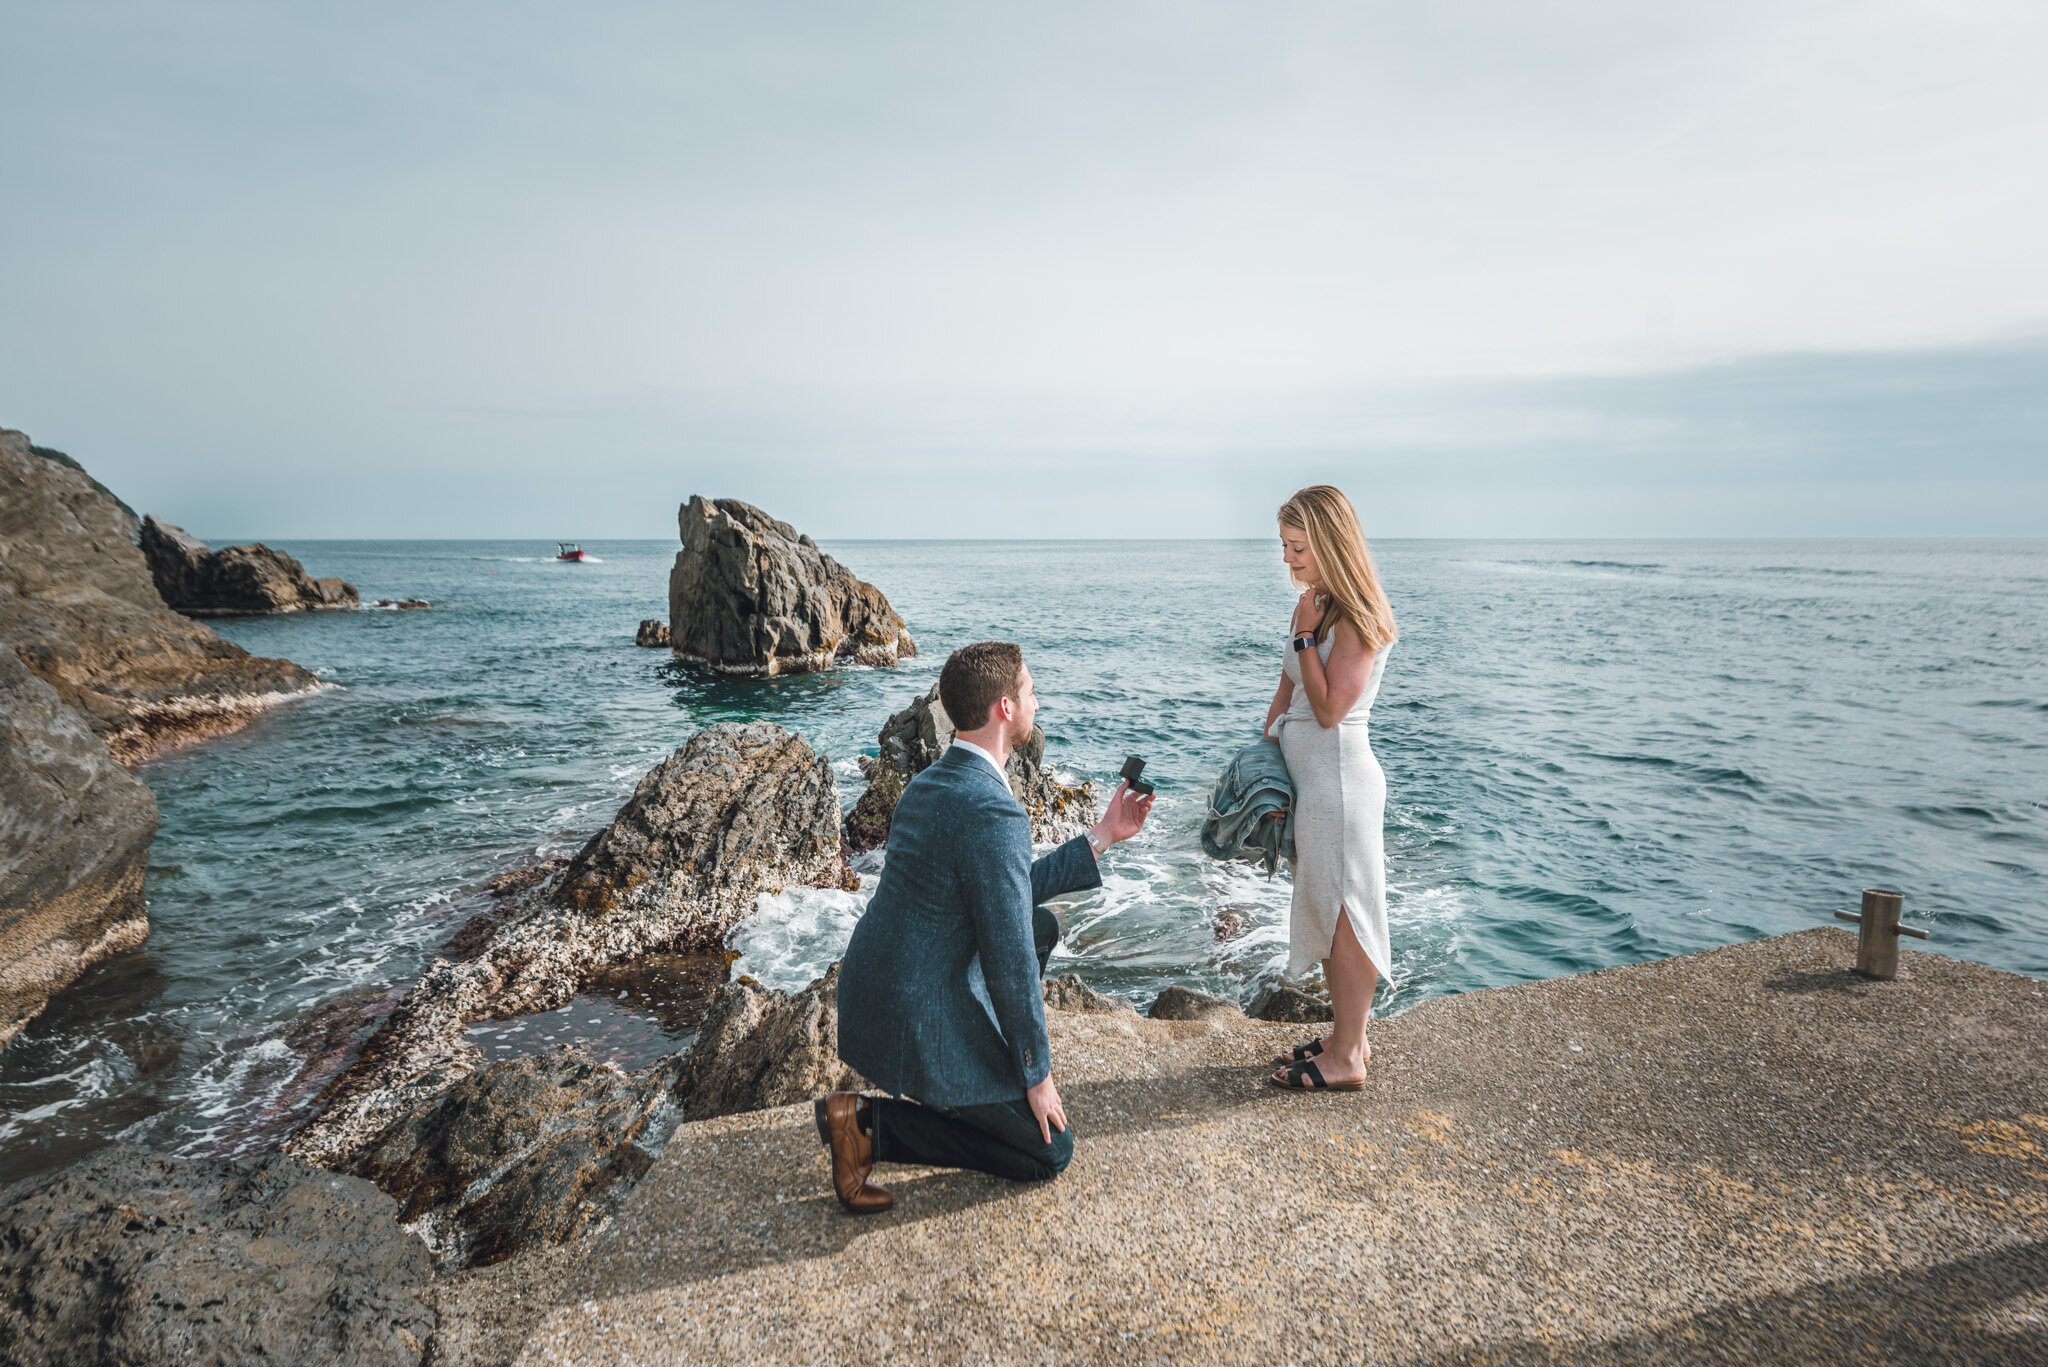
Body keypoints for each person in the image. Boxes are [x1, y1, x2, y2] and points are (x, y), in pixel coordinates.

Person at [819, 641, 1155, 1212]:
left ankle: (983, 1073)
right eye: (1030, 691)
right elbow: (1008, 961)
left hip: (874, 984)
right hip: (918, 1012)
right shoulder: (993, 811)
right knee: (1048, 1153)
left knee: (1040, 926)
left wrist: (1104, 836)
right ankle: (868, 1125)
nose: (1037, 701)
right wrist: (1036, 1073)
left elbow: (1006, 892)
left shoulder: (930, 784)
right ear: (1004, 707)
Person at [1262, 485, 1398, 1091]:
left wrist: (1305, 638)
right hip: (1313, 787)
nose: (1287, 560)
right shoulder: (1314, 608)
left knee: (1350, 915)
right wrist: (1261, 755)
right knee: (1327, 906)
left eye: (1297, 547)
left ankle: (1346, 1056)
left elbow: (1328, 709)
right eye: (1285, 547)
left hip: (1343, 785)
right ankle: (1352, 1037)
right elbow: (1288, 693)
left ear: (1329, 545)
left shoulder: (1357, 616)